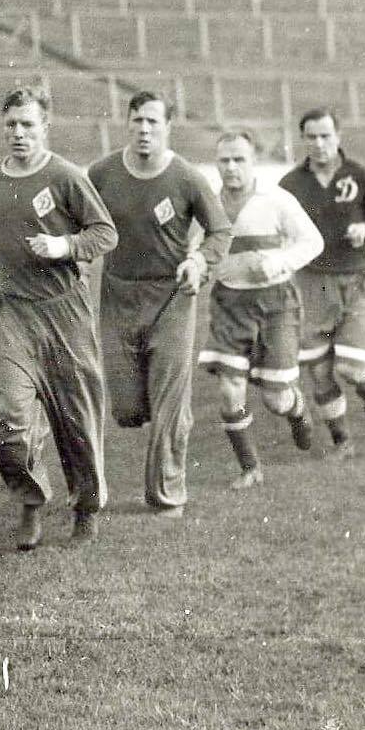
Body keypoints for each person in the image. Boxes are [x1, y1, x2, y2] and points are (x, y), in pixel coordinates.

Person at [0, 87, 117, 549]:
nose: (18, 133)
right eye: (11, 124)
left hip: (66, 313)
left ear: (44, 127)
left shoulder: (65, 176)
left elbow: (105, 232)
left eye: (28, 125)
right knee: (10, 424)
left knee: (77, 421)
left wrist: (64, 247)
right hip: (14, 314)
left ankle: (87, 507)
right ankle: (31, 504)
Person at [87, 92, 231, 516]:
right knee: (128, 410)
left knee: (170, 402)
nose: (144, 129)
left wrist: (198, 260)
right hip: (117, 295)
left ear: (168, 126)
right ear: (127, 124)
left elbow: (219, 231)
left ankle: (167, 495)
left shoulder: (186, 178)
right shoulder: (103, 173)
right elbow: (73, 217)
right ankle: (154, 415)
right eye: (137, 121)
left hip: (171, 298)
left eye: (153, 121)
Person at [196, 130, 323, 489]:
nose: (232, 167)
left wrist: (281, 260)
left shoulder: (276, 199)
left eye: (240, 159)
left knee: (276, 399)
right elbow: (198, 248)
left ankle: (297, 409)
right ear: (216, 162)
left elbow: (313, 241)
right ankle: (250, 468)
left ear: (254, 162)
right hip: (229, 304)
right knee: (229, 389)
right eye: (225, 160)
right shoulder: (207, 204)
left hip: (276, 303)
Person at [277, 109, 365, 458]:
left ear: (338, 136)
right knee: (319, 370)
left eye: (326, 135)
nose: (320, 143)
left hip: (356, 277)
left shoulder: (362, 175)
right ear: (303, 139)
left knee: (351, 366)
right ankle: (342, 440)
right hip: (311, 282)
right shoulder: (291, 184)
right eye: (312, 136)